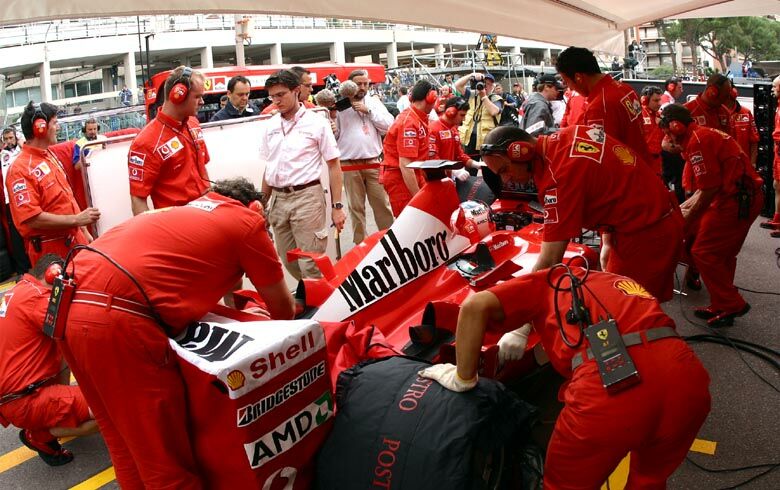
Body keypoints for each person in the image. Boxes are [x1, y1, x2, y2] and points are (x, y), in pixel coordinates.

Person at [58, 178, 295, 489]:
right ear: (255, 207)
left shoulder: (180, 215)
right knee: (164, 458)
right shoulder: (246, 220)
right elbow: (283, 311)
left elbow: (211, 282)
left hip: (68, 302)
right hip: (119, 320)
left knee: (125, 444)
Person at [420, 266, 711, 489]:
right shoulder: (610, 280)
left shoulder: (542, 282)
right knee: (648, 480)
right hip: (686, 377)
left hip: (611, 393)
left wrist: (463, 377)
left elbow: (473, 307)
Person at [480, 125, 682, 302]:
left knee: (629, 314)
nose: (506, 180)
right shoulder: (570, 134)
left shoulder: (558, 175)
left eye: (505, 169)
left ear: (521, 151)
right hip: (648, 220)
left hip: (646, 232)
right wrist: (608, 237)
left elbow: (550, 261)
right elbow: (609, 182)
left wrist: (518, 317)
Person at [660, 104, 763, 326]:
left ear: (676, 126)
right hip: (738, 198)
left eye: (668, 132)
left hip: (735, 201)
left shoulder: (698, 142)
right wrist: (680, 211)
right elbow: (703, 191)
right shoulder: (700, 135)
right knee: (722, 252)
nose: (668, 139)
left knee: (703, 251)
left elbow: (707, 192)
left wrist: (681, 221)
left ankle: (730, 303)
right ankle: (721, 303)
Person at [0, 254, 98, 466]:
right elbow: (85, 330)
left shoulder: (20, 290)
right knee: (109, 406)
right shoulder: (38, 298)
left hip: (17, 395)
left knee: (59, 344)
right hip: (26, 399)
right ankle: (40, 435)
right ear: (52, 275)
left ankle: (62, 408)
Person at [259, 69, 345, 279]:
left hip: (307, 197)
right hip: (278, 199)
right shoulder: (270, 125)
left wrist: (337, 207)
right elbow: (268, 167)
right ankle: (308, 296)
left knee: (311, 262)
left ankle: (318, 307)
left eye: (281, 95)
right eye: (273, 96)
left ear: (296, 91)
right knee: (287, 257)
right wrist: (262, 205)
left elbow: (334, 166)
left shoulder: (317, 122)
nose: (276, 101)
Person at [5, 102, 99, 266]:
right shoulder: (19, 169)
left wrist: (83, 231)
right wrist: (77, 220)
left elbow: (66, 196)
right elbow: (32, 218)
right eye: (55, 123)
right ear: (39, 127)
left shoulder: (49, 156)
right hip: (50, 251)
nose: (58, 128)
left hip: (74, 241)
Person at [127, 66, 211, 215]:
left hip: (206, 213)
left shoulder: (193, 123)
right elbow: (138, 201)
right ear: (177, 95)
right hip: (177, 224)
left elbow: (203, 171)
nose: (202, 102)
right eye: (197, 97)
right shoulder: (145, 143)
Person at [556, 47, 649, 162]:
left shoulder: (599, 106)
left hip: (623, 173)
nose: (569, 87)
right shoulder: (626, 88)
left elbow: (602, 156)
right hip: (641, 163)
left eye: (566, 81)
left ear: (578, 77)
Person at [334, 70, 395, 245]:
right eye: (358, 84)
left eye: (365, 84)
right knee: (356, 208)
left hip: (373, 162)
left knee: (382, 205)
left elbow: (389, 127)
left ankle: (390, 242)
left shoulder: (373, 102)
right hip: (349, 164)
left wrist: (369, 111)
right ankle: (361, 245)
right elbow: (335, 135)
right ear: (350, 85)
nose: (362, 88)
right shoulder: (340, 106)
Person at [381, 79, 438, 216]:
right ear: (430, 98)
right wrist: (417, 198)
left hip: (413, 173)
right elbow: (405, 164)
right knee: (411, 219)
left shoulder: (418, 118)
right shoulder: (409, 123)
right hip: (401, 178)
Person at [428, 97, 481, 181]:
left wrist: (476, 164)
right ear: (451, 112)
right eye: (462, 115)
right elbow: (432, 159)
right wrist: (453, 170)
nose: (463, 119)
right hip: (436, 179)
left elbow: (459, 154)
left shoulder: (453, 129)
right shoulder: (433, 129)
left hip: (449, 178)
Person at [1, 127, 31, 273]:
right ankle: (22, 269)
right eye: (5, 139)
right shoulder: (2, 155)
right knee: (16, 236)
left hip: (27, 196)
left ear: (16, 137)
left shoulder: (23, 151)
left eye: (11, 138)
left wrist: (21, 142)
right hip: (9, 200)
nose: (8, 141)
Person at [453, 72, 503, 156]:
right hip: (469, 138)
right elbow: (458, 85)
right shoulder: (472, 95)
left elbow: (494, 111)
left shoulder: (496, 98)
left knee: (486, 166)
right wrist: (471, 75)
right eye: (484, 83)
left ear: (493, 86)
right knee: (470, 166)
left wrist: (483, 96)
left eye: (488, 84)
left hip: (486, 140)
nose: (486, 86)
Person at [760, 75, 780, 234]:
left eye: (774, 86)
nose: (772, 90)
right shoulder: (779, 106)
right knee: (776, 185)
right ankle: (777, 218)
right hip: (777, 152)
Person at [724, 83, 759, 168]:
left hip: (743, 165)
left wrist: (753, 163)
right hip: (722, 167)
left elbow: (754, 141)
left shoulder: (746, 113)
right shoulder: (715, 113)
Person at [640, 86, 664, 176]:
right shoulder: (638, 114)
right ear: (644, 100)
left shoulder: (660, 116)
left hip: (657, 161)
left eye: (659, 100)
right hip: (642, 160)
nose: (659, 103)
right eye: (656, 100)